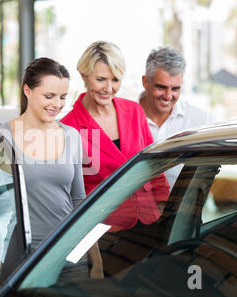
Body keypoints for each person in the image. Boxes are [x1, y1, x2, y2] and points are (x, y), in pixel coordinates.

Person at [0, 57, 102, 279]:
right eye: (49, 96)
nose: (57, 104)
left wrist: (95, 258)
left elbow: (79, 200)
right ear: (27, 90)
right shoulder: (2, 138)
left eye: (62, 97)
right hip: (24, 257)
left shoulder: (71, 136)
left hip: (70, 252)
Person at [61, 41, 170, 232]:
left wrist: (166, 209)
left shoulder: (134, 111)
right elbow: (68, 194)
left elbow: (154, 167)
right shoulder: (69, 127)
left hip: (151, 221)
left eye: (116, 80)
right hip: (103, 231)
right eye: (101, 79)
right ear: (83, 76)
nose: (109, 88)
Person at [139, 47, 215, 188]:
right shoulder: (123, 118)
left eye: (175, 89)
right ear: (145, 82)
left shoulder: (201, 120)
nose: (168, 96)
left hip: (182, 208)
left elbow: (209, 172)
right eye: (161, 87)